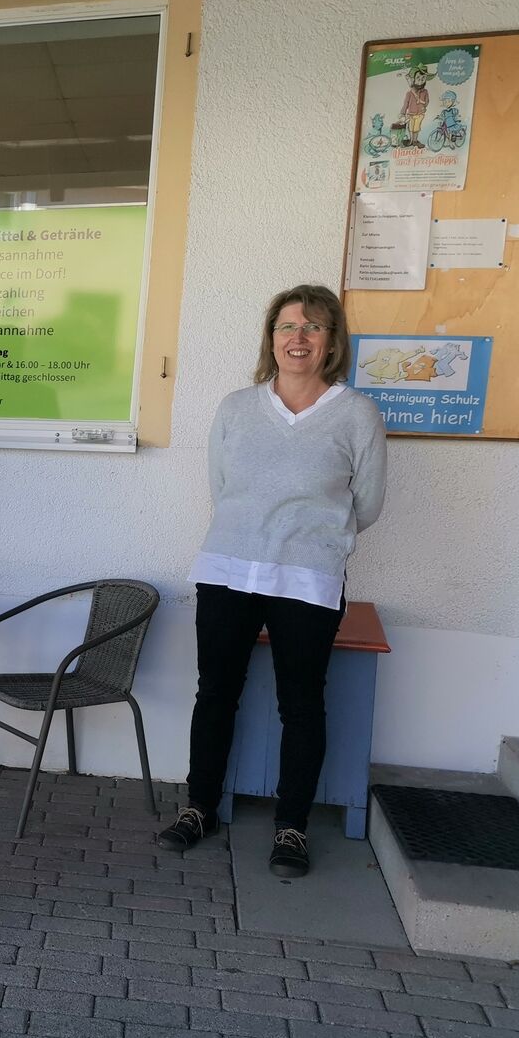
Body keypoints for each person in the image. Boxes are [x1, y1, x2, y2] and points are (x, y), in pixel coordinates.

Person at [157, 284, 386, 877]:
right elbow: (221, 486)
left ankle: (292, 827)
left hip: (309, 576)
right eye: (287, 326)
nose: (298, 338)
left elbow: (367, 503)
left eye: (312, 327)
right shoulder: (237, 407)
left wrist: (315, 538)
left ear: (331, 341)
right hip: (230, 568)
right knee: (215, 693)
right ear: (272, 338)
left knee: (302, 703)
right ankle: (199, 808)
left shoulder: (356, 414)